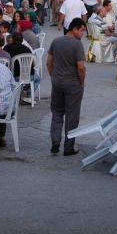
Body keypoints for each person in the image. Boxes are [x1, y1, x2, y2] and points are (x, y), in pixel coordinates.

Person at [47, 18, 87, 155]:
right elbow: (81, 67)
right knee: (72, 115)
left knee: (57, 112)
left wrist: (53, 77)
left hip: (57, 82)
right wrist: (81, 82)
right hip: (73, 83)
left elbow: (49, 62)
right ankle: (68, 147)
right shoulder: (77, 45)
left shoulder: (56, 41)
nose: (83, 34)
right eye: (82, 31)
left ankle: (55, 140)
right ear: (75, 29)